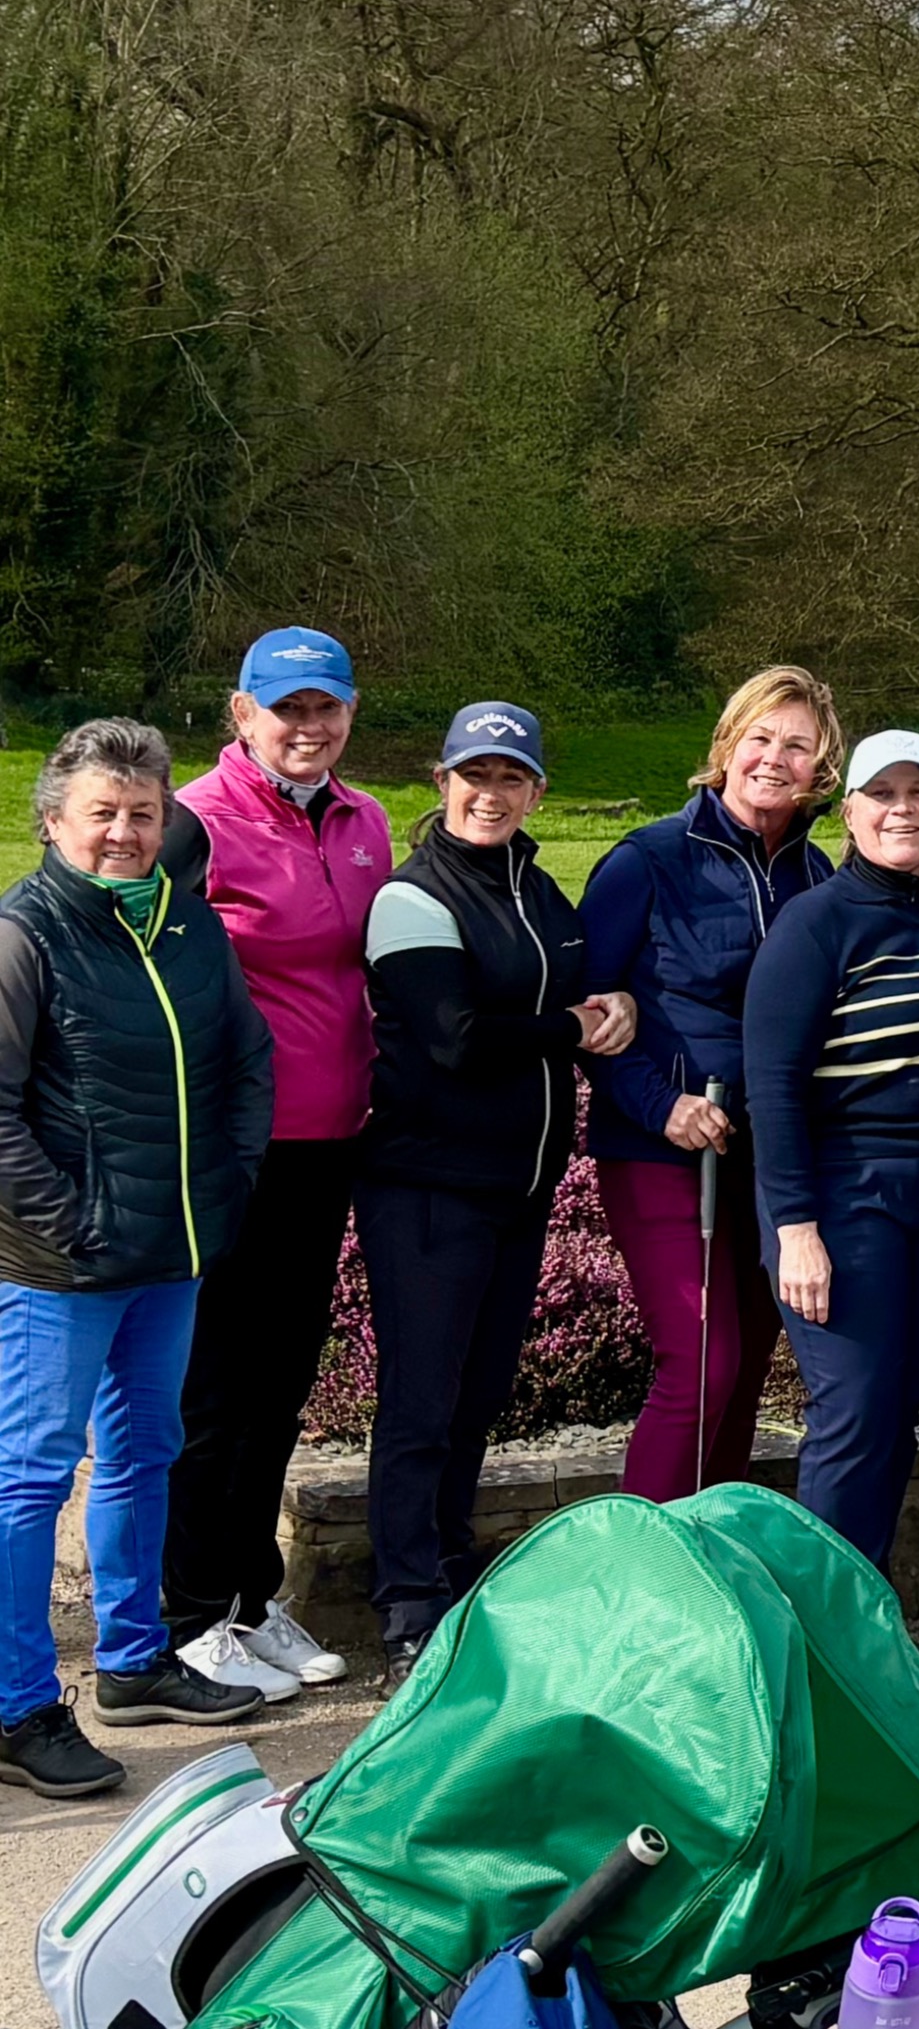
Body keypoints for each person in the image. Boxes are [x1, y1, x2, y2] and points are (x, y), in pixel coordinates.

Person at [0, 721, 278, 1798]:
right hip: (60, 1263)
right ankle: (19, 1704)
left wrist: (229, 1181)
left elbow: (244, 1057)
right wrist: (72, 1222)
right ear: (57, 822)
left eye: (143, 812)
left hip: (173, 1249)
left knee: (143, 1449)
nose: (124, 831)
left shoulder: (185, 925)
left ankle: (131, 1660)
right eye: (103, 812)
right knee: (26, 1476)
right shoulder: (26, 934)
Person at [359, 703, 636, 1685]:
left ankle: (448, 1561)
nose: (490, 791)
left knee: (475, 1396)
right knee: (422, 1400)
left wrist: (614, 1002)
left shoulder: (538, 888)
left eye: (509, 775)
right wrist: (572, 1026)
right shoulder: (412, 894)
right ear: (441, 781)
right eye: (472, 773)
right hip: (428, 1184)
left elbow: (585, 980)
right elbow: (456, 1036)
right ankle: (403, 1600)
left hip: (517, 1188)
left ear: (536, 791)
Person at [161, 629, 391, 1702]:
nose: (308, 727)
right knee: (213, 1387)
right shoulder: (193, 822)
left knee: (281, 1384)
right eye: (285, 707)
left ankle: (252, 1598)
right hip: (224, 1149)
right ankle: (189, 1612)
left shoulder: (364, 819)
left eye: (325, 707)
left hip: (327, 1140)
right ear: (242, 713)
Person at [580, 667, 842, 1502]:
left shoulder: (818, 871)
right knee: (701, 1363)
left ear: (819, 766)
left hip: (771, 1158)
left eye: (796, 745)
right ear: (725, 747)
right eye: (760, 738)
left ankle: (708, 1560)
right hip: (665, 1150)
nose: (775, 758)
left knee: (745, 1370)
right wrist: (664, 1105)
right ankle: (644, 1570)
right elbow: (586, 1016)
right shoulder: (648, 860)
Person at [742, 731, 919, 1571]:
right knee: (854, 1410)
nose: (902, 810)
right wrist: (796, 1228)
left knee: (899, 1406)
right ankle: (827, 1632)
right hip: (845, 1196)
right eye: (881, 794)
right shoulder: (812, 923)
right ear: (847, 813)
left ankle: (869, 1618)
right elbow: (771, 1086)